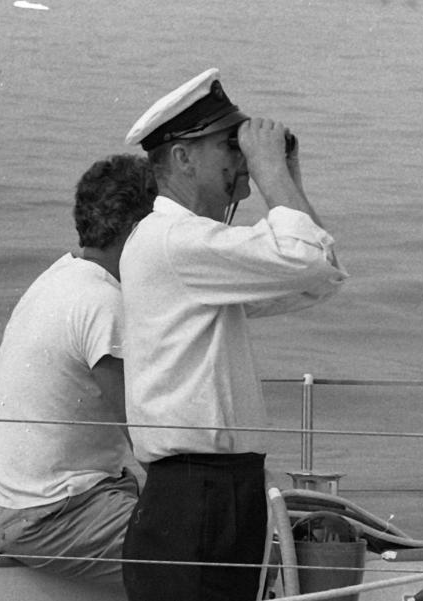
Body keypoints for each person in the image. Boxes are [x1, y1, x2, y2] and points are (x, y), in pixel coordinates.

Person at [119, 68, 347, 601]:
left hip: (219, 490)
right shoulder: (176, 241)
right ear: (182, 157)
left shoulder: (195, 247)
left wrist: (286, 177)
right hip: (196, 494)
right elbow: (307, 259)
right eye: (229, 144)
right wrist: (272, 174)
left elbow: (319, 277)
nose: (240, 158)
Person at [0, 154, 156, 584]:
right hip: (49, 515)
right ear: (137, 232)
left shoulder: (62, 277)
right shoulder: (103, 303)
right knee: (206, 551)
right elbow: (148, 439)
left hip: (30, 503)